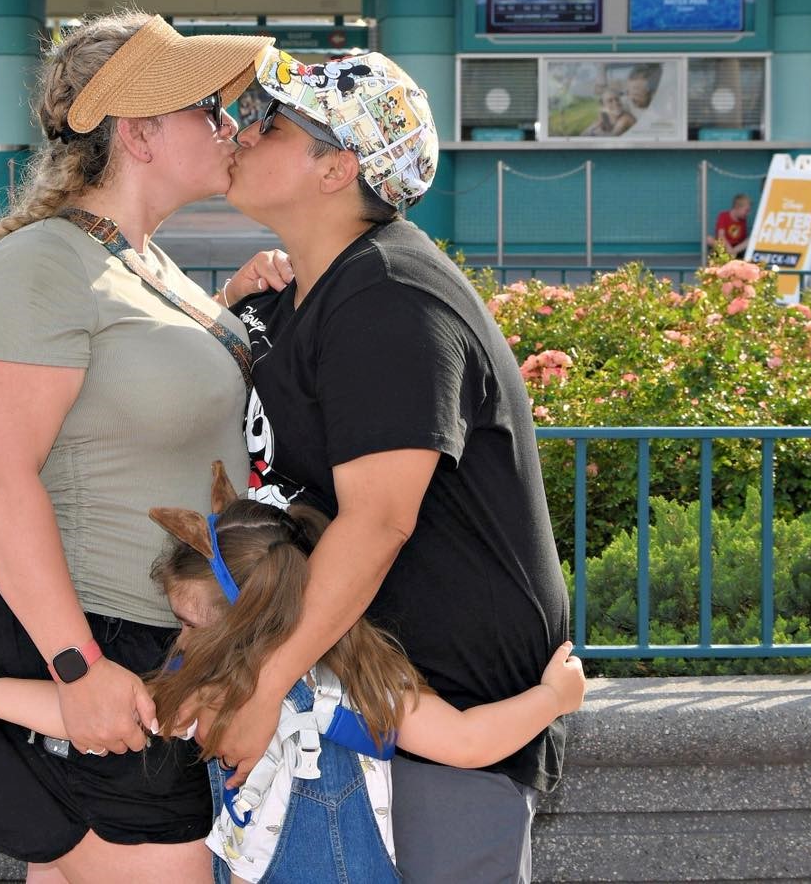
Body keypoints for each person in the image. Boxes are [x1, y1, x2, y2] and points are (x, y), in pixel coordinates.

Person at [214, 45, 570, 884]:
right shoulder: (312, 294)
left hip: (443, 712)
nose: (243, 131)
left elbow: (378, 520)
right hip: (372, 691)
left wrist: (262, 688)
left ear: (337, 167)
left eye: (273, 124)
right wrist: (229, 305)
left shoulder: (389, 298)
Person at [0, 12, 281, 882]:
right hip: (103, 649)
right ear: (137, 133)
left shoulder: (142, 261)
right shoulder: (41, 264)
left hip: (165, 645)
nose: (228, 124)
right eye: (206, 108)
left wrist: (232, 307)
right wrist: (78, 668)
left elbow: (135, 396)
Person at [0, 465, 586, 884]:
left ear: (249, 623)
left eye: (190, 624)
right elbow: (470, 739)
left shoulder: (254, 693)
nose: (180, 640)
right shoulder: (349, 682)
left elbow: (470, 744)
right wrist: (551, 698)